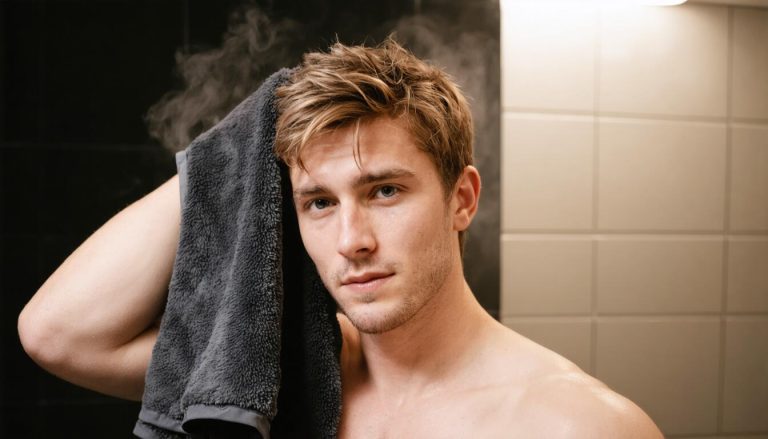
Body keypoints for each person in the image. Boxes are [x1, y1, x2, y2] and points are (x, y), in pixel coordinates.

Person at [18, 39, 663, 438]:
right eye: (319, 202)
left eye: (384, 191)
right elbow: (58, 334)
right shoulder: (282, 376)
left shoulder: (577, 425)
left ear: (461, 198)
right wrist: (233, 159)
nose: (351, 239)